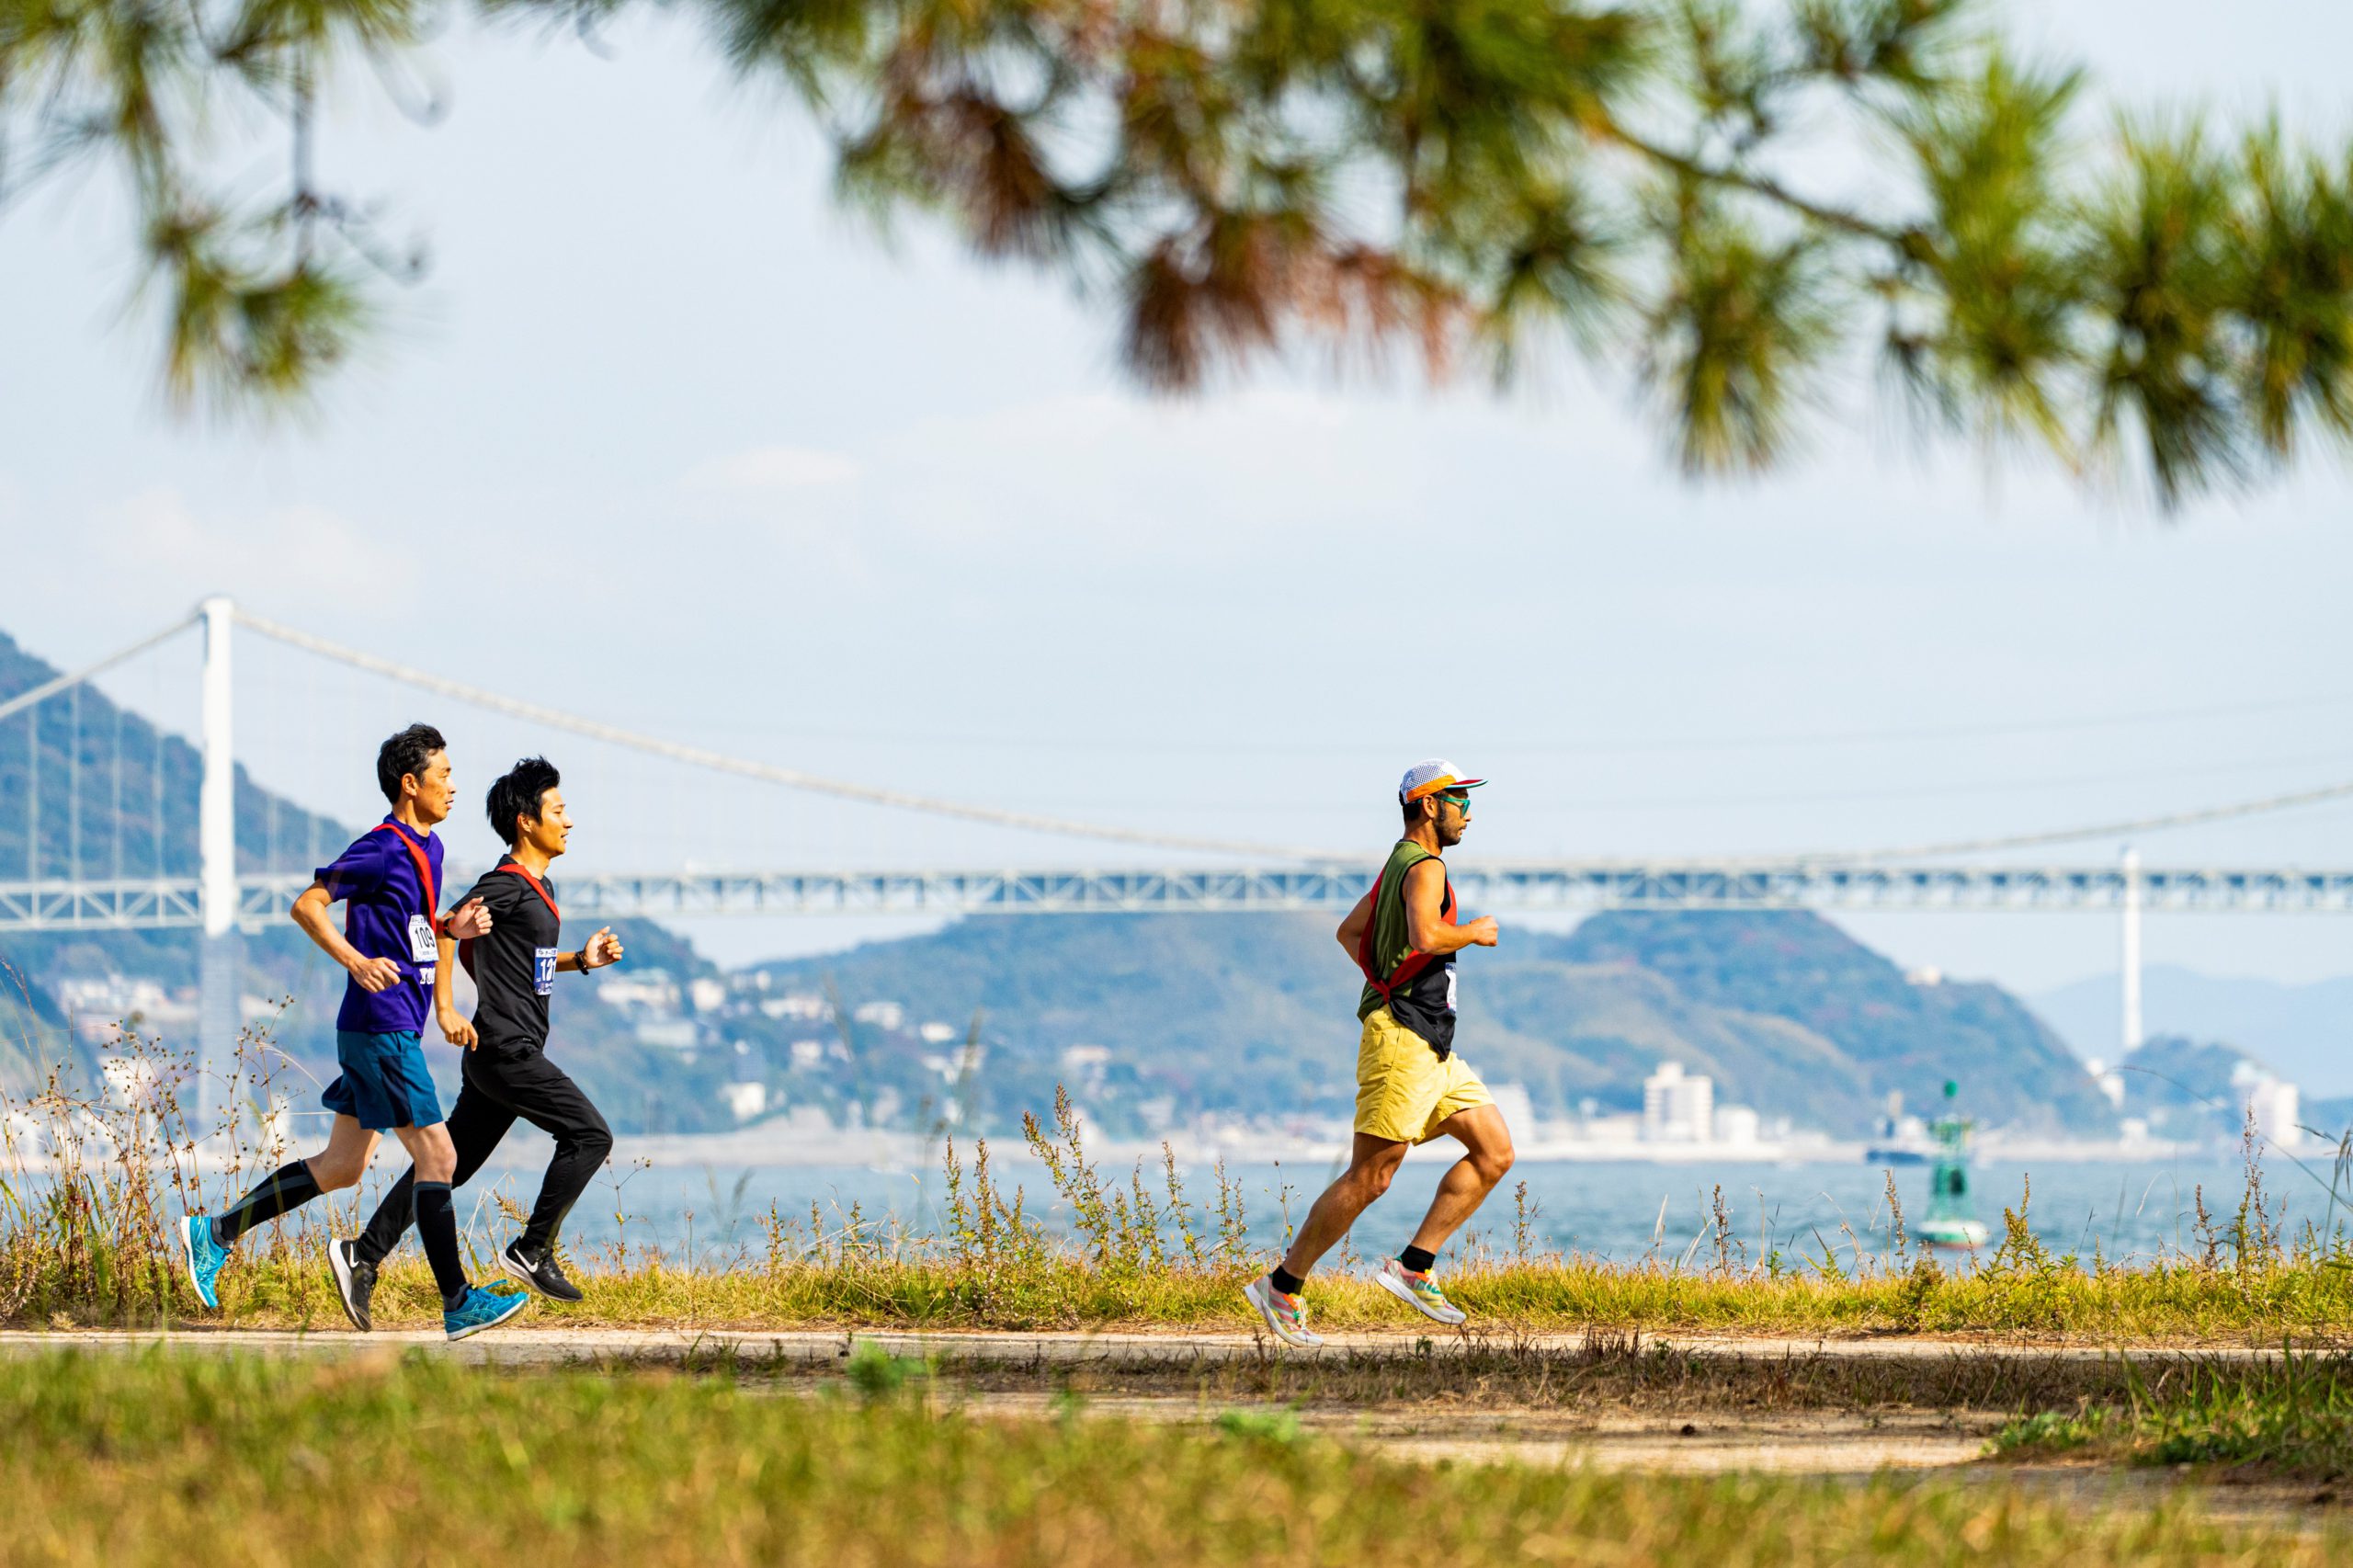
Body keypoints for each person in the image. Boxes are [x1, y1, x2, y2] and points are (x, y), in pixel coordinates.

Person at [177, 723, 531, 1341]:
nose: (453, 786)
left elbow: (415, 928)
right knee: (440, 1155)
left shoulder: (432, 850)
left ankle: (214, 1235)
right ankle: (457, 1301)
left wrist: (453, 927)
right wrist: (356, 962)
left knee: (342, 1166)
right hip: (380, 1027)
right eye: (444, 776)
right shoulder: (382, 847)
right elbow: (307, 905)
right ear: (410, 783)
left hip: (389, 1028)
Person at [328, 756, 623, 1330]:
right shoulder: (505, 884)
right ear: (525, 821)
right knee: (590, 1135)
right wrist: (448, 1007)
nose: (568, 822)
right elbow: (449, 931)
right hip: (506, 1051)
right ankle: (531, 1249)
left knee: (448, 1165)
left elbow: (508, 958)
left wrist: (578, 962)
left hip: (501, 1052)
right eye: (558, 811)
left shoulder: (540, 887)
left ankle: (363, 1255)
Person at [1244, 759, 1516, 1348]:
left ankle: (1415, 1266)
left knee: (1494, 1152)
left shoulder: (1395, 867)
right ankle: (1283, 1286)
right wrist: (1474, 931)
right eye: (1459, 799)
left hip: (1431, 1041)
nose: (1468, 810)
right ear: (1428, 806)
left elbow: (1349, 932)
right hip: (1404, 1041)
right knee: (1372, 1176)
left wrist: (1386, 981)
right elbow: (1425, 937)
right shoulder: (1425, 867)